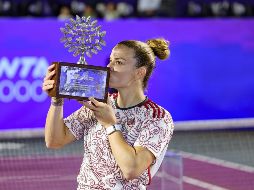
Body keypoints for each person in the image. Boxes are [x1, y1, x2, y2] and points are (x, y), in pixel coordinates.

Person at [42, 38, 174, 189]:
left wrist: (110, 125)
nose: (109, 67)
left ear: (139, 72)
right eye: (110, 60)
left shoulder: (157, 117)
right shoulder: (100, 103)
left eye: (119, 62)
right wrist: (57, 100)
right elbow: (55, 141)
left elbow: (131, 169)